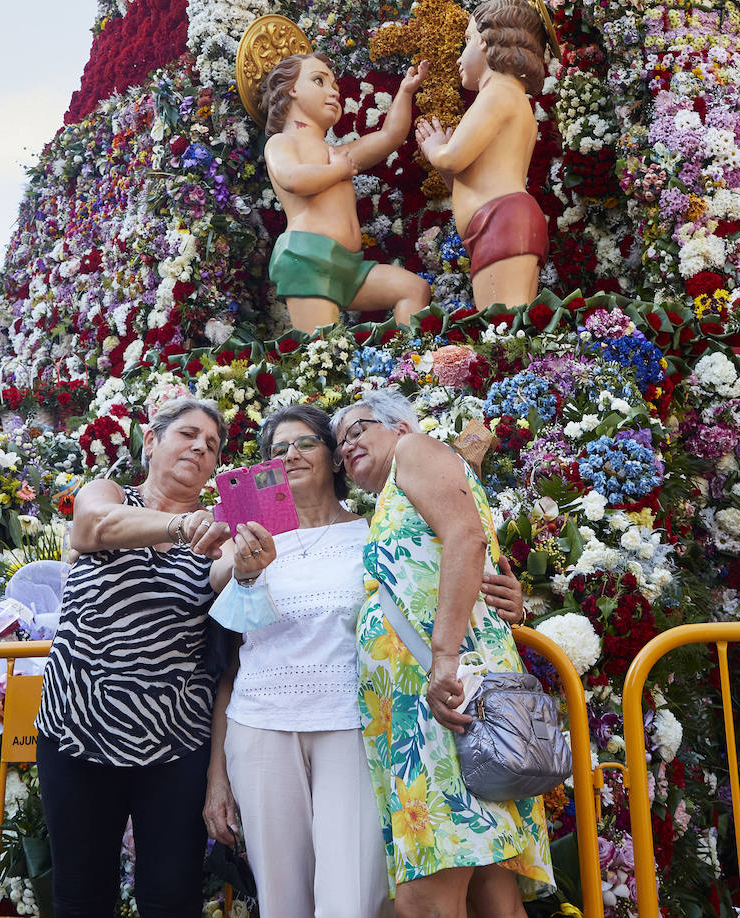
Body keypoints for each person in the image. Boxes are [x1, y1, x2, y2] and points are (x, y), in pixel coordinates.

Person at [203, 403, 526, 918]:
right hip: (261, 724)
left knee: (352, 901)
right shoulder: (252, 538)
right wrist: (243, 571)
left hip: (358, 727)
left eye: (305, 443)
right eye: (278, 449)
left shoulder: (377, 529)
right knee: (281, 903)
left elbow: (455, 554)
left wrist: (508, 596)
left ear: (334, 460)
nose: (291, 455)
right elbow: (228, 645)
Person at [333, 387, 554, 918]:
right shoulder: (398, 489)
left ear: (401, 426)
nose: (348, 448)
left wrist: (443, 658)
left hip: (443, 701)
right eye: (341, 445)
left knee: (425, 898)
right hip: (438, 703)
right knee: (489, 894)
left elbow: (465, 535)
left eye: (359, 430)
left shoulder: (416, 452)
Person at [34, 396, 253, 918]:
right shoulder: (108, 494)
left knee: (171, 898)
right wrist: (176, 528)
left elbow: (225, 576)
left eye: (213, 445)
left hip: (174, 745)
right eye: (188, 434)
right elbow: (93, 526)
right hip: (76, 731)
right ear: (151, 441)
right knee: (80, 897)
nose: (201, 447)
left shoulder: (217, 531)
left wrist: (243, 563)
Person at [261, 52, 432, 332]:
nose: (332, 93)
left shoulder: (340, 154)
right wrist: (336, 172)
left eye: (335, 88)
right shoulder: (282, 142)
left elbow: (390, 136)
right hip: (306, 259)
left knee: (414, 290)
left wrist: (405, 91)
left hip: (350, 266)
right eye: (319, 81)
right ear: (291, 89)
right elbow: (292, 178)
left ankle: (407, 370)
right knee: (324, 356)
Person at [415, 0, 548, 310]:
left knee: (501, 332)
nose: (461, 56)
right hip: (500, 220)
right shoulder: (510, 97)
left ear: (489, 41)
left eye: (467, 40)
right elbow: (469, 179)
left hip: (500, 222)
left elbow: (452, 158)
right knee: (513, 329)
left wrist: (436, 149)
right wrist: (448, 172)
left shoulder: (498, 93)